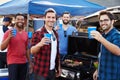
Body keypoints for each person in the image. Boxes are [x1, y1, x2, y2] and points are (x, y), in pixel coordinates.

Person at [31, 8, 61, 80]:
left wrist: (58, 67)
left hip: (52, 70)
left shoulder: (55, 34)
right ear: (44, 18)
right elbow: (32, 51)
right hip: (41, 71)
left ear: (55, 19)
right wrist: (40, 44)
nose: (51, 19)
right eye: (49, 17)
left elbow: (56, 53)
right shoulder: (38, 33)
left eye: (53, 17)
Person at [0, 14, 32, 80]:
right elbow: (2, 48)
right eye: (18, 19)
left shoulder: (25, 34)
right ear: (15, 20)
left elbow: (26, 49)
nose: (20, 21)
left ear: (24, 21)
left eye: (22, 19)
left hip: (23, 62)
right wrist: (9, 37)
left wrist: (30, 63)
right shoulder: (9, 32)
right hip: (13, 62)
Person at [92, 11, 120, 80]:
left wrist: (100, 38)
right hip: (102, 74)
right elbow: (101, 55)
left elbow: (118, 51)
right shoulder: (104, 35)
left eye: (106, 20)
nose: (103, 23)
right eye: (101, 21)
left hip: (112, 75)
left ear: (112, 21)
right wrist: (97, 70)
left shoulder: (116, 34)